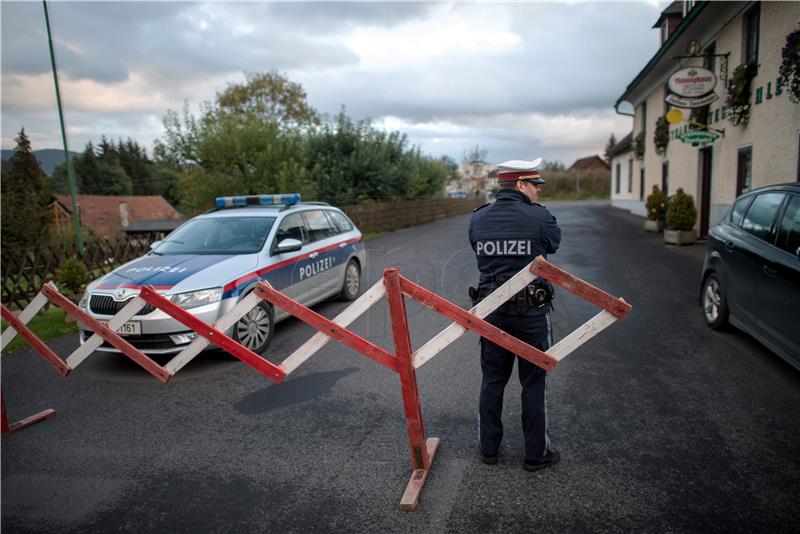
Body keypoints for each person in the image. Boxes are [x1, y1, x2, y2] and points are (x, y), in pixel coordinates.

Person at [468, 157, 561, 471]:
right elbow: (554, 244)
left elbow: (476, 249)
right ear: (521, 184)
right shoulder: (540, 217)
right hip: (532, 314)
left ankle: (488, 449)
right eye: (535, 185)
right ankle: (536, 454)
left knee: (492, 380)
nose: (537, 191)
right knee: (533, 383)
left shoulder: (478, 218)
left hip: (491, 312)